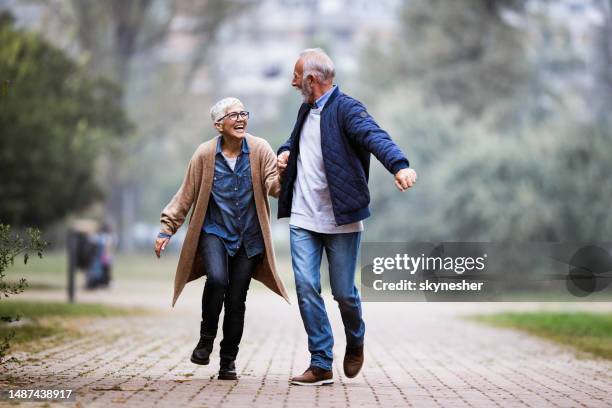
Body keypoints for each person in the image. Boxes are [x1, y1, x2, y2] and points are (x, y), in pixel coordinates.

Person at [277, 48, 417, 386]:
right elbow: (299, 141)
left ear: (312, 80)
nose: (294, 83)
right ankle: (321, 362)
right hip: (303, 216)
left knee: (343, 293)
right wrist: (285, 151)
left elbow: (374, 136)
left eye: (298, 78)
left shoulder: (347, 109)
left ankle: (355, 341)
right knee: (307, 287)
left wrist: (399, 165)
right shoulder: (305, 109)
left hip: (342, 218)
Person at [155, 97, 289, 381]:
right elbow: (187, 194)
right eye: (233, 115)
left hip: (249, 238)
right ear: (219, 125)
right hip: (214, 231)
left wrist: (282, 175)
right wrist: (167, 228)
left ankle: (228, 360)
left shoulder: (260, 149)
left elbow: (272, 187)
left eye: (244, 113)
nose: (241, 119)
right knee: (217, 279)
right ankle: (206, 340)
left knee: (237, 299)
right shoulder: (204, 155)